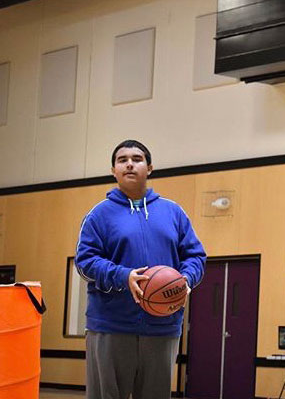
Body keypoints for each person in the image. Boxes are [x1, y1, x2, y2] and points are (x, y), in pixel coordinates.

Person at [75, 139, 206, 399]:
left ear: (150, 168)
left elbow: (196, 256)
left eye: (137, 159)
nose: (130, 164)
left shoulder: (173, 213)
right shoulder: (98, 215)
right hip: (110, 326)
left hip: (162, 325)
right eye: (122, 160)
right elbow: (85, 261)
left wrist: (185, 281)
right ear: (114, 170)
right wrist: (124, 276)